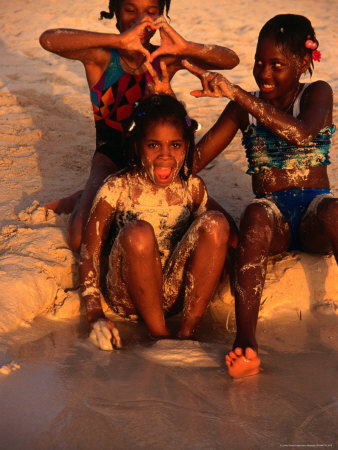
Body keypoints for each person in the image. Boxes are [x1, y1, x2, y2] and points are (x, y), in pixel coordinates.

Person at [184, 14, 337, 377]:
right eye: (258, 62)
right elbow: (196, 161)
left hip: (314, 211)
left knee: (335, 211)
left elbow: (299, 135)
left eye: (277, 65)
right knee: (254, 214)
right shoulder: (243, 107)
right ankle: (247, 342)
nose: (264, 73)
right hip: (275, 219)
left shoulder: (317, 93)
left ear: (303, 63)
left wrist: (235, 92)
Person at [39, 0, 239, 253]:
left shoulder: (165, 59)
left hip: (158, 160)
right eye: (130, 10)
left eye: (151, 13)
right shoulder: (100, 57)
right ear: (116, 12)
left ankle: (84, 195)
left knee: (232, 236)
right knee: (79, 239)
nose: (141, 20)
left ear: (161, 17)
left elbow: (230, 60)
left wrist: (186, 46)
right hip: (110, 159)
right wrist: (118, 41)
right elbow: (48, 40)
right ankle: (84, 195)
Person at [79, 94, 237, 350]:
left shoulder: (192, 187)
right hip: (128, 298)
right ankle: (160, 336)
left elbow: (212, 239)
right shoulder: (117, 187)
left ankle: (188, 334)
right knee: (139, 232)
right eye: (154, 146)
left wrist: (226, 259)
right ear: (137, 144)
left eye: (175, 145)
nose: (165, 156)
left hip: (173, 296)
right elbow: (90, 251)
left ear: (187, 145)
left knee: (216, 223)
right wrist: (94, 313)